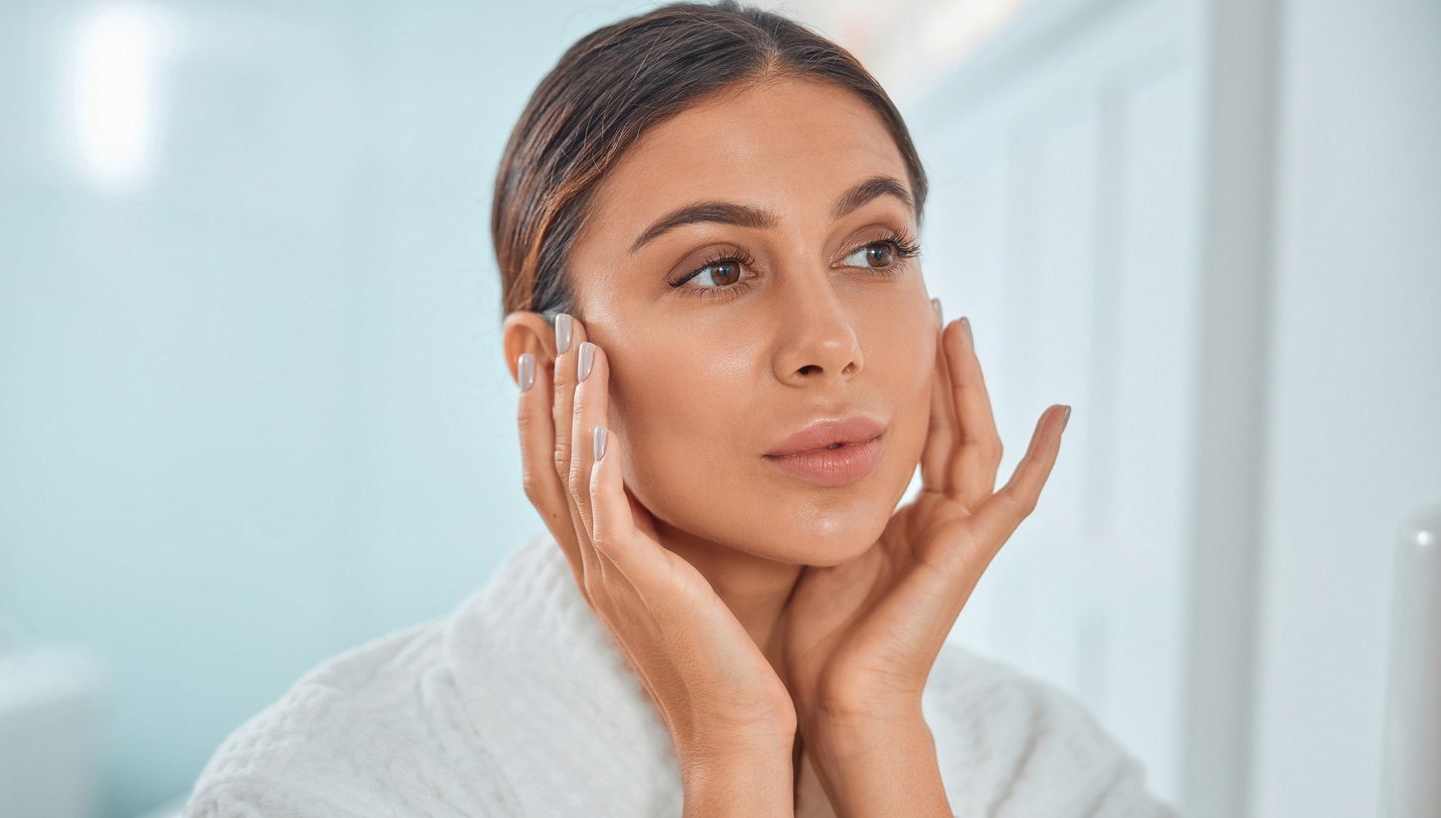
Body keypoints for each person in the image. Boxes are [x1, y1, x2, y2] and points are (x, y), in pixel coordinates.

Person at [185, 2, 1179, 815]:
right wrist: (732, 747)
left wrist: (874, 733)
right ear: (547, 365)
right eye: (716, 269)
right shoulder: (325, 781)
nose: (829, 342)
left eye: (875, 249)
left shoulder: (1047, 767)